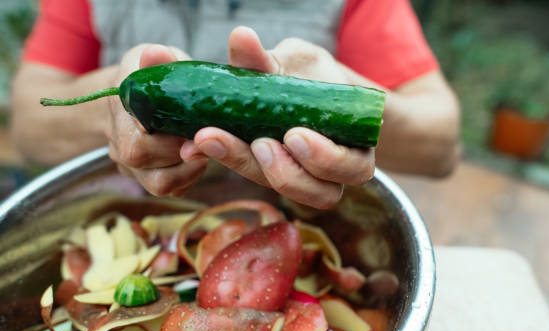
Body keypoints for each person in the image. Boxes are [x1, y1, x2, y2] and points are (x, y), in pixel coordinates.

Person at [10, 0, 460, 209]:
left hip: (305, 223)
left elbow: (442, 143)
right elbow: (29, 122)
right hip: (129, 218)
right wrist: (114, 101)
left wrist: (342, 101)